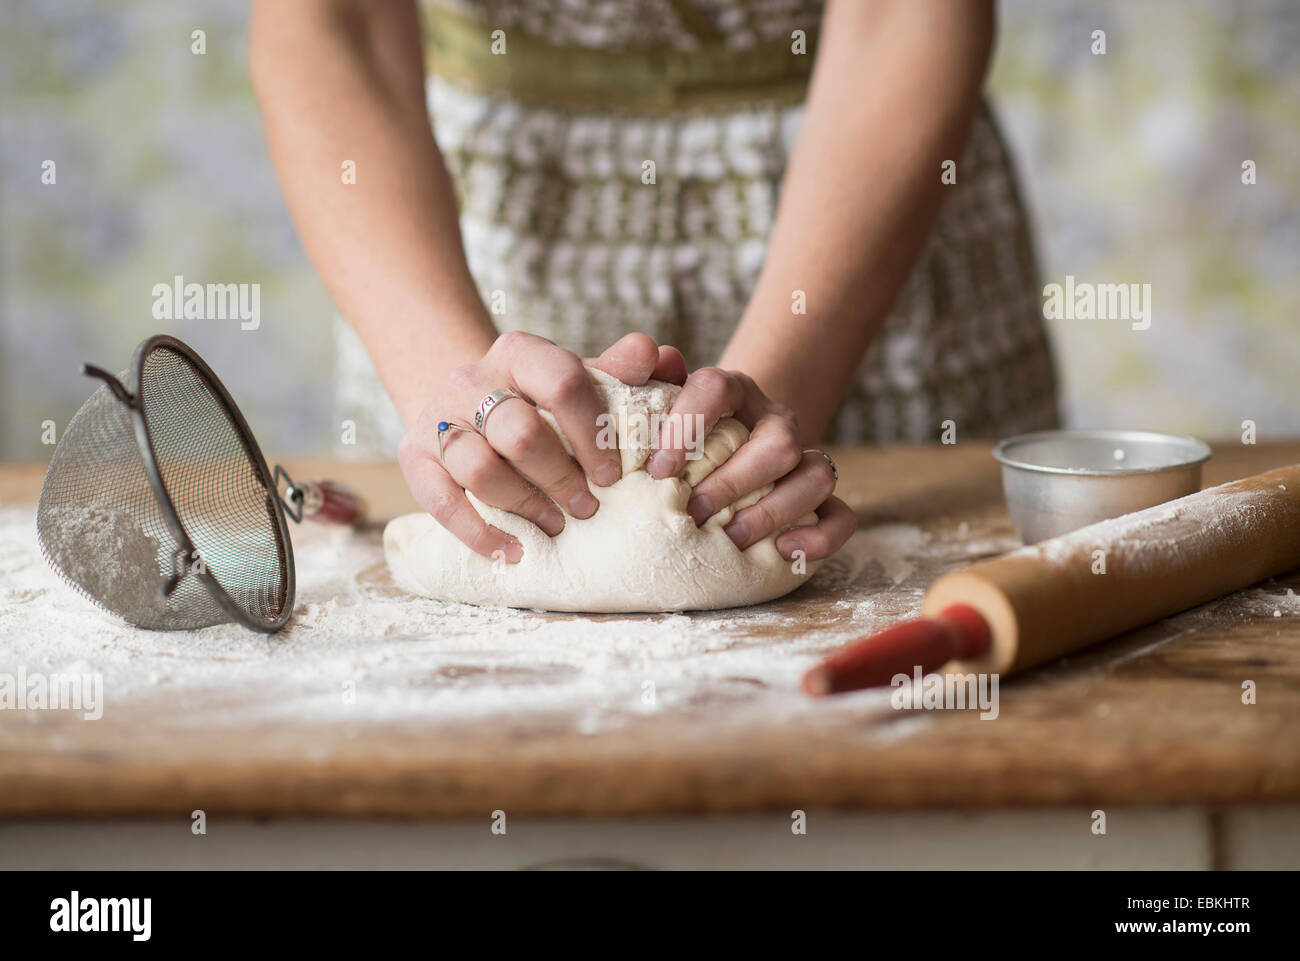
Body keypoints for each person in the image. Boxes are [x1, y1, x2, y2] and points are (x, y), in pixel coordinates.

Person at [250, 0, 1057, 566]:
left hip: (860, 204)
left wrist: (763, 422)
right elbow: (331, 19)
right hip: (465, 235)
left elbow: (909, 12)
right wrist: (451, 386)